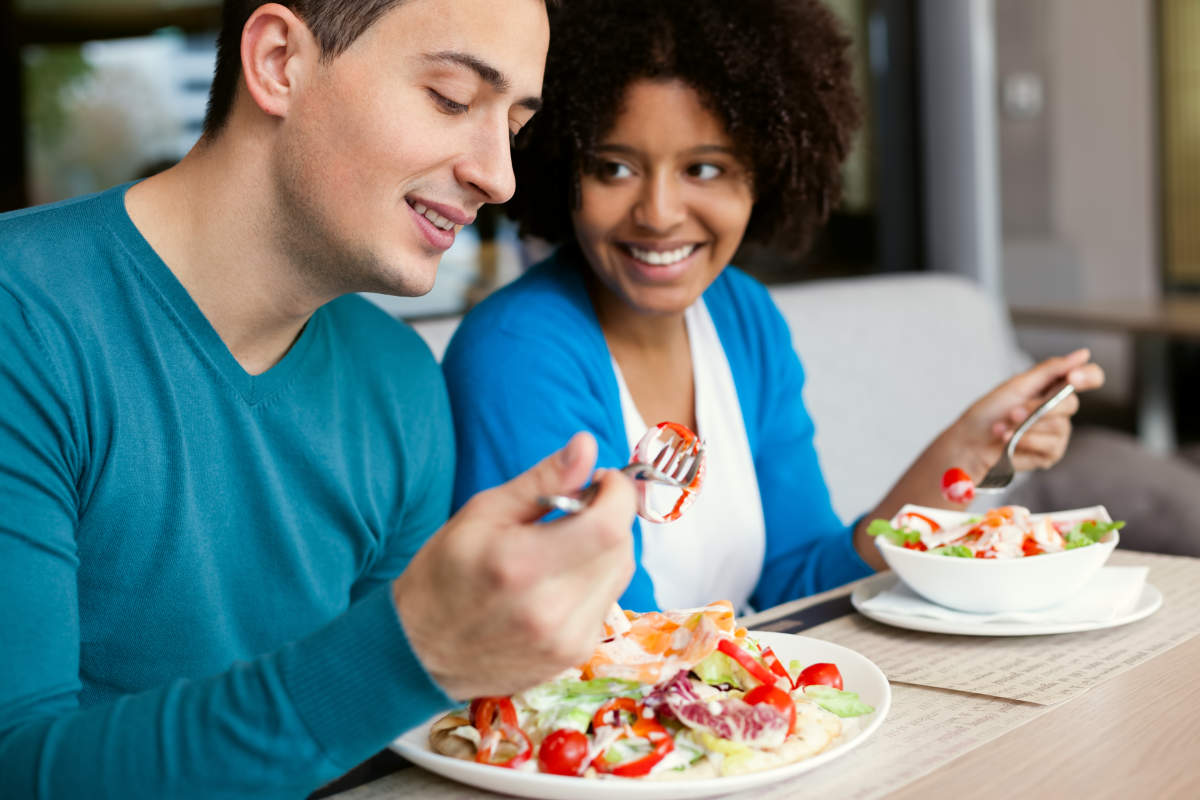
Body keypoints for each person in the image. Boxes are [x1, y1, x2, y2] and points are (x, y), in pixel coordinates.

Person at [0, 1, 637, 797]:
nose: (498, 176)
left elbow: (380, 755)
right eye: (449, 97)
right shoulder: (20, 320)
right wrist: (414, 650)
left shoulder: (400, 383)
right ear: (277, 62)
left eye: (512, 124)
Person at [442, 0, 1105, 614]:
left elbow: (804, 584)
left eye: (704, 169)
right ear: (563, 170)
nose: (660, 214)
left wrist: (965, 446)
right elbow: (602, 640)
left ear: (767, 174)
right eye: (614, 168)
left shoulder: (742, 319)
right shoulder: (518, 353)